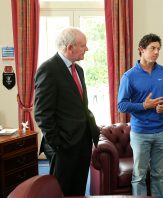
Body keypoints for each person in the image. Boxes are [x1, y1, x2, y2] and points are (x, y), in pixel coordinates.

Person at [34, 27, 99, 196]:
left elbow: (80, 105)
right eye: (83, 45)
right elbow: (42, 113)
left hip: (83, 141)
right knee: (61, 190)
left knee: (78, 187)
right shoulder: (48, 69)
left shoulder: (79, 70)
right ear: (70, 47)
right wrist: (57, 144)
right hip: (63, 145)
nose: (87, 49)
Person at [118, 33, 163, 198]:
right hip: (140, 133)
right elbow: (121, 105)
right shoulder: (129, 76)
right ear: (142, 50)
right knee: (139, 175)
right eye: (152, 48)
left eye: (158, 48)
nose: (156, 52)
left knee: (158, 174)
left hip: (161, 132)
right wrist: (144, 105)